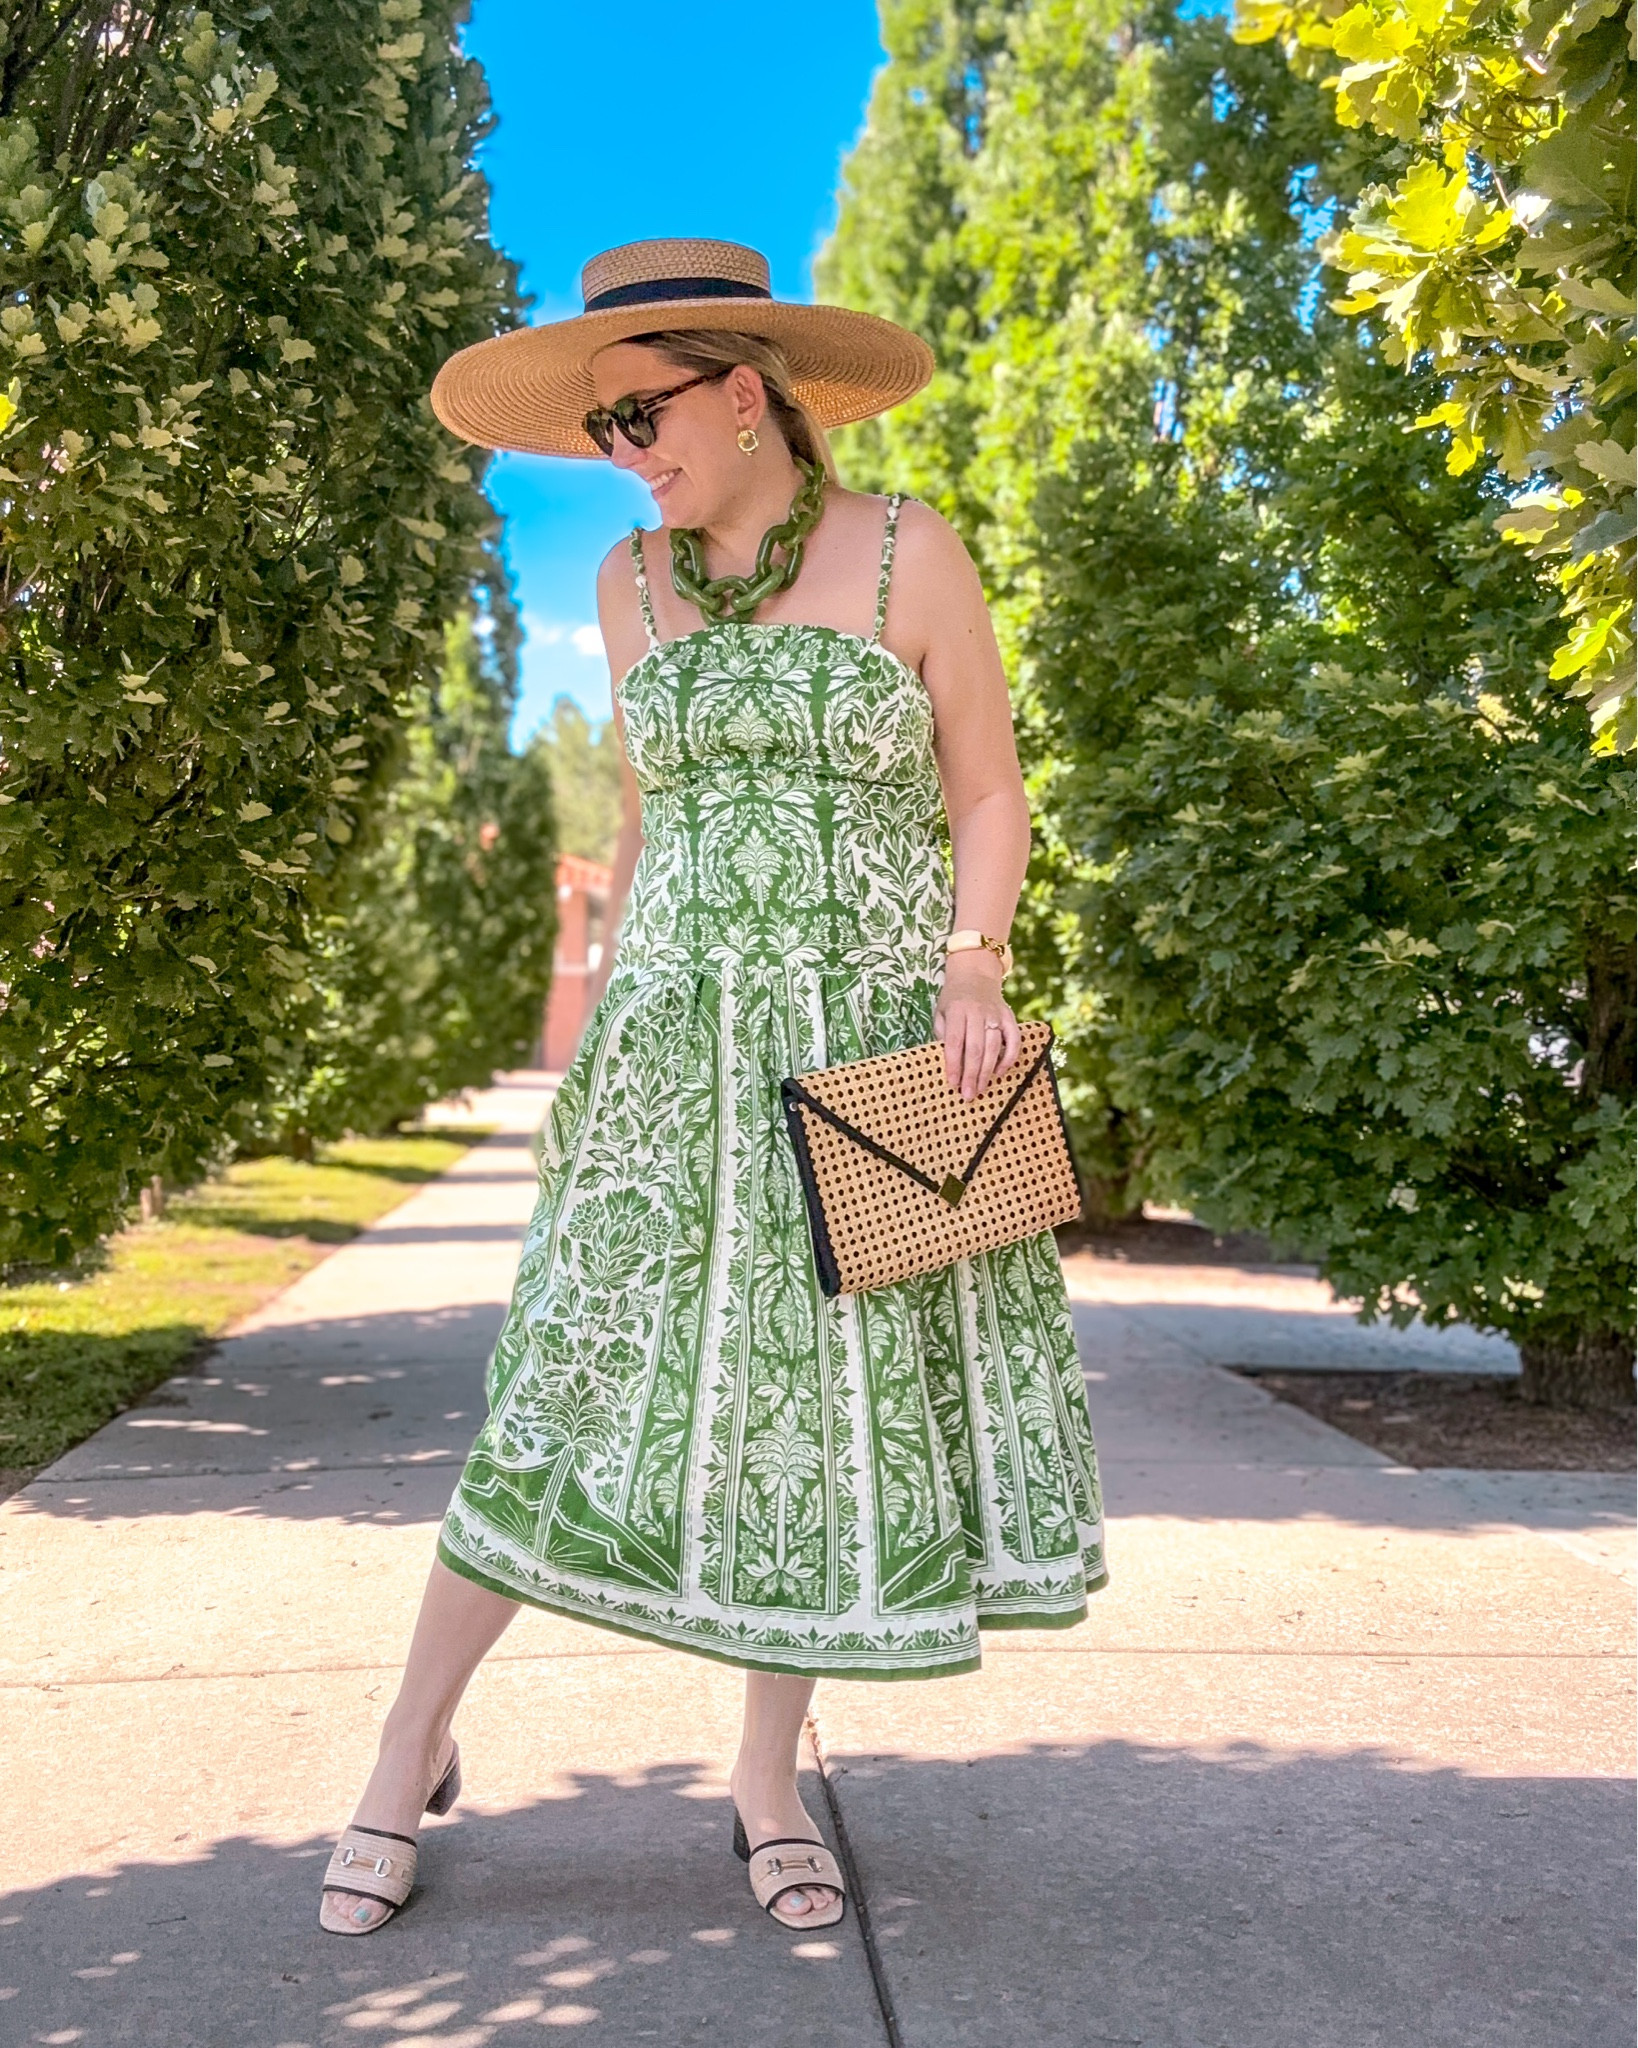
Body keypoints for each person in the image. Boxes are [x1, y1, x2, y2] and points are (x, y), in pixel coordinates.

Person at [319, 239, 1106, 1938]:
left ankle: (763, 1784)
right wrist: (598, 1004)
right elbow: (646, 811)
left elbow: (987, 792)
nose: (625, 454)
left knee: (808, 1427)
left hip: (872, 1046)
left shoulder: (910, 551)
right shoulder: (630, 583)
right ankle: (406, 1745)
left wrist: (973, 963)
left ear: (745, 393)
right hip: (671, 1052)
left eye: (643, 416)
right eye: (603, 429)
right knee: (558, 1390)